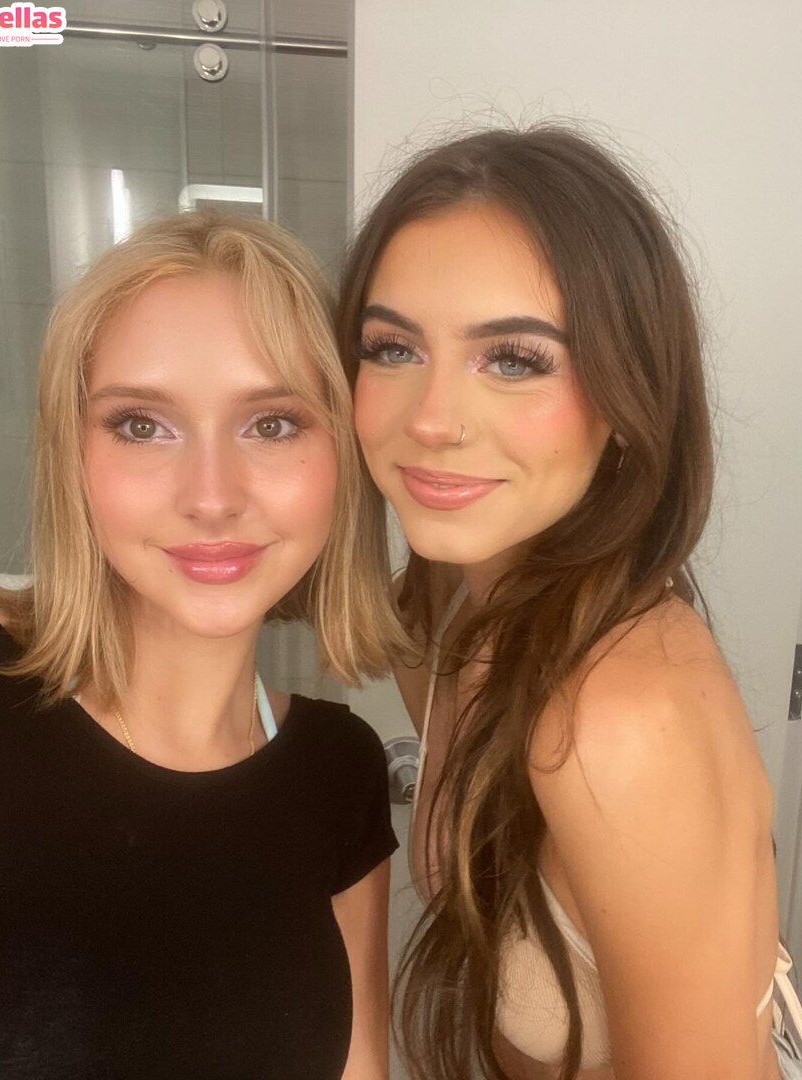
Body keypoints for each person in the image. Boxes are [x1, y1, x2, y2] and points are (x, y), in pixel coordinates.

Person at [337, 127, 801, 1080]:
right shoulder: (441, 600)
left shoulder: (615, 718)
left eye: (513, 359)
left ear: (628, 396)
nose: (432, 418)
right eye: (392, 347)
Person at [0, 211, 406, 1080]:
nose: (211, 497)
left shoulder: (339, 771)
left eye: (272, 424)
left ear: (343, 454)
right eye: (142, 425)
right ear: (72, 455)